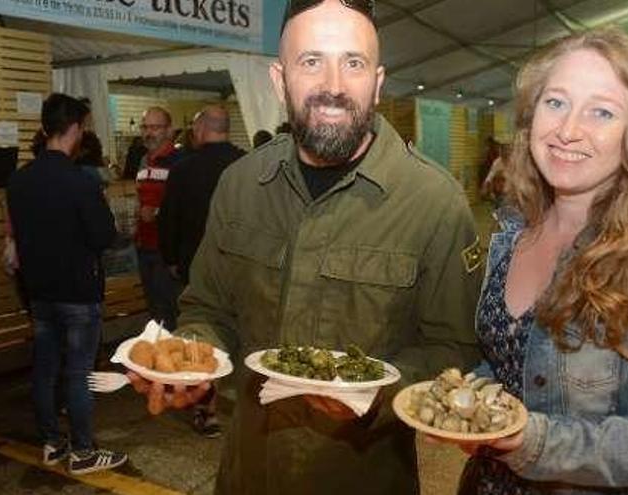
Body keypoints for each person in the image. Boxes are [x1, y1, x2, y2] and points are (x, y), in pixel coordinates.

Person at [130, 1, 482, 494]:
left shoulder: (434, 202)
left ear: (377, 83)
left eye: (353, 63)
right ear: (280, 80)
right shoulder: (240, 185)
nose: (334, 84)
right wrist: (196, 357)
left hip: (365, 479)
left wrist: (375, 393)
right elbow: (208, 307)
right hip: (247, 475)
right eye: (311, 61)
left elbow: (454, 346)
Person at [431, 28, 628, 495]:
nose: (568, 130)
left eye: (602, 112)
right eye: (556, 103)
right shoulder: (512, 229)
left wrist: (532, 442)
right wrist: (463, 399)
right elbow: (510, 359)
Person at [6, 93, 127, 475]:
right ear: (75, 130)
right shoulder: (81, 182)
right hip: (77, 291)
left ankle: (53, 443)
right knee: (77, 372)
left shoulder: (19, 180)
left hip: (38, 292)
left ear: (44, 127)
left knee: (44, 370)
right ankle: (85, 452)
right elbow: (104, 235)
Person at [158, 105, 246, 438]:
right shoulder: (247, 165)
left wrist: (169, 258)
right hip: (242, 267)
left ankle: (206, 410)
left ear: (199, 131)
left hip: (196, 266)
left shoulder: (183, 170)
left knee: (203, 338)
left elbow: (170, 219)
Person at [136, 106, 183, 330]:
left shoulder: (180, 162)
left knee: (169, 315)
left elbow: (184, 207)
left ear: (169, 130)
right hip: (144, 248)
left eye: (155, 127)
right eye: (145, 127)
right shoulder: (143, 161)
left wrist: (154, 212)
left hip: (166, 253)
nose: (148, 132)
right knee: (155, 314)